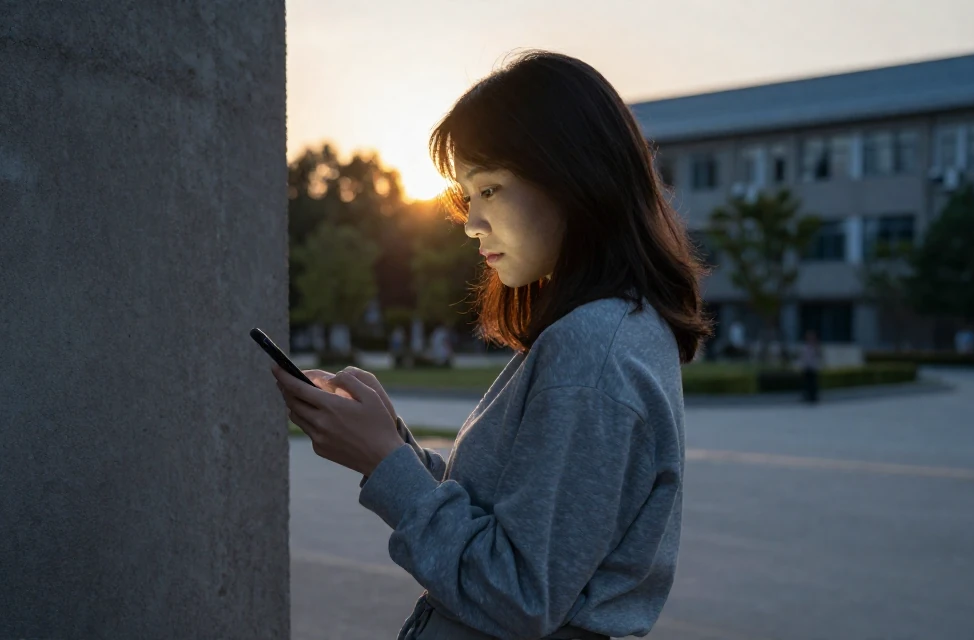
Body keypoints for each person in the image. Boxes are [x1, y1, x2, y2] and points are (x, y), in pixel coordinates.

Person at [270, 50, 710, 640]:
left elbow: (518, 596)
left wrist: (383, 464)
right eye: (465, 196)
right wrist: (390, 442)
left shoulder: (593, 348)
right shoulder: (606, 329)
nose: (471, 221)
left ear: (574, 179)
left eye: (491, 189)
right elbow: (507, 520)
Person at [799, 330, 822, 404]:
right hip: (807, 368)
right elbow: (803, 358)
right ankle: (807, 397)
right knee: (807, 384)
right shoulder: (805, 347)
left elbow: (819, 356)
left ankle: (813, 397)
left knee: (813, 383)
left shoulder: (815, 347)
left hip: (813, 368)